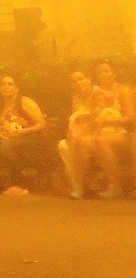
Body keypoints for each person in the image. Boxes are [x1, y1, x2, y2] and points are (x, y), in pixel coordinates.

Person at [58, 69, 122, 199]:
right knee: (65, 145)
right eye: (74, 81)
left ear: (88, 79)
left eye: (81, 79)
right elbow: (72, 120)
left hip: (107, 131)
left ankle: (114, 186)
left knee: (83, 142)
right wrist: (71, 133)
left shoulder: (98, 94)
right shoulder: (74, 98)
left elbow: (96, 117)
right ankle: (78, 185)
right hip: (86, 132)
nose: (78, 83)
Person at [0, 75, 46, 195]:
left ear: (16, 88)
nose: (6, 86)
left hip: (29, 137)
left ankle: (18, 184)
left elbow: (42, 124)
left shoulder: (25, 102)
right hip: (9, 138)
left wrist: (23, 131)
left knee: (6, 145)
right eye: (3, 84)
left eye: (10, 84)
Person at [92, 60, 133, 192]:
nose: (103, 75)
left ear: (114, 74)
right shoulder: (95, 93)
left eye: (107, 71)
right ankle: (81, 185)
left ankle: (115, 184)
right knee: (81, 142)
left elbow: (130, 118)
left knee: (99, 141)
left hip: (122, 133)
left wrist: (108, 122)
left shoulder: (122, 90)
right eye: (100, 72)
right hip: (99, 131)